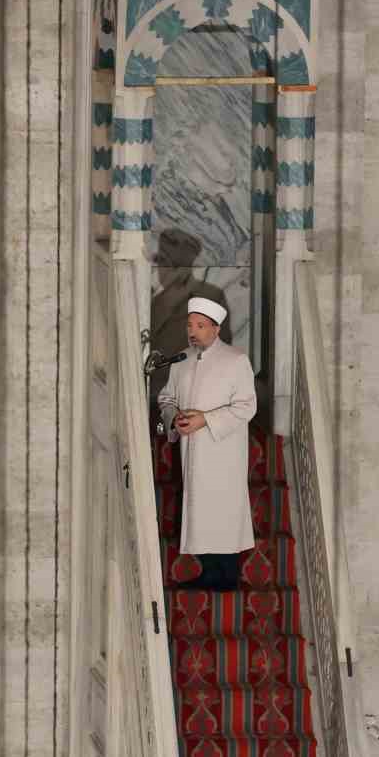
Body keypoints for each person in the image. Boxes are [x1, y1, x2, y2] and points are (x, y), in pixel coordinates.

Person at [156, 297, 256, 592]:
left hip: (222, 450)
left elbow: (246, 406)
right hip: (192, 451)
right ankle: (209, 572)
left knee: (223, 511)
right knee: (199, 510)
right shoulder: (181, 360)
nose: (193, 331)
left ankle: (227, 576)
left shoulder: (236, 360)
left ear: (216, 328)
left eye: (200, 326)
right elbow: (166, 398)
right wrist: (174, 418)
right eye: (190, 325)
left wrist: (206, 420)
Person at [146, 228, 229, 403]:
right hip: (156, 395)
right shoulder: (155, 300)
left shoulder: (211, 295)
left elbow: (222, 347)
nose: (159, 269)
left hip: (198, 394)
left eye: (163, 262)